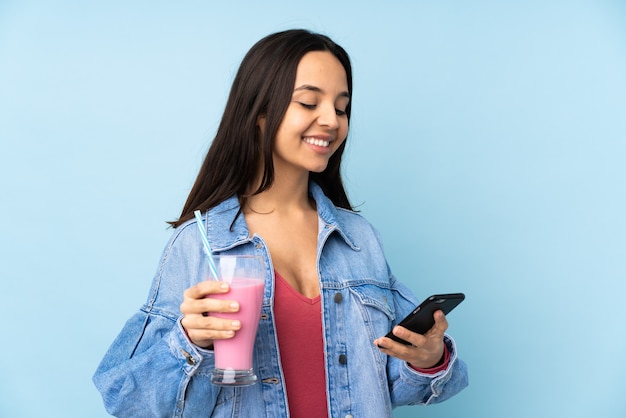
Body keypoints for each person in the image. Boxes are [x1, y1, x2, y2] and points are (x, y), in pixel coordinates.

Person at [93, 29, 468, 417]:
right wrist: (190, 343)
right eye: (308, 102)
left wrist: (429, 357)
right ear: (259, 113)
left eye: (341, 108)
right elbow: (129, 401)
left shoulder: (359, 239)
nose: (331, 121)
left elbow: (390, 381)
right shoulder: (200, 243)